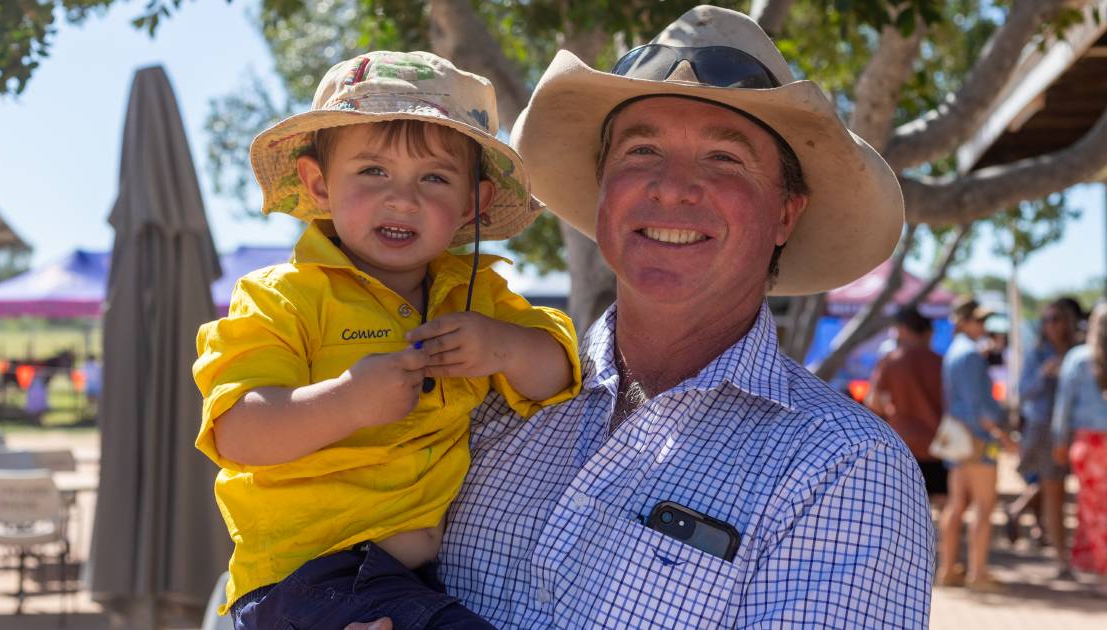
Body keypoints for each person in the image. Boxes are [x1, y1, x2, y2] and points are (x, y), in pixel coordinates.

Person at [349, 7, 934, 628]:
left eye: (724, 160)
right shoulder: (487, 395)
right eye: (642, 149)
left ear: (785, 214)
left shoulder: (843, 467)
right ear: (603, 191)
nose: (672, 187)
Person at [193, 51, 581, 629]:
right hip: (309, 576)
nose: (403, 198)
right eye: (372, 172)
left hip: (411, 578)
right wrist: (346, 400)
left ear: (473, 203)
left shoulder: (476, 297)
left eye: (434, 178)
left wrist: (504, 348)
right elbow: (239, 429)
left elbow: (560, 373)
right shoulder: (281, 296)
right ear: (319, 184)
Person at [938, 296, 1018, 591]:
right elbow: (979, 407)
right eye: (979, 320)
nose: (983, 326)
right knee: (984, 507)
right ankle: (978, 573)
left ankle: (949, 569)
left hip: (957, 437)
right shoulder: (970, 354)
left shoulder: (954, 352)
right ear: (964, 322)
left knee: (957, 505)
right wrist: (1002, 436)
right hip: (977, 439)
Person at [1007, 297, 1083, 574]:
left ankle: (1020, 514)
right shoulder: (1037, 353)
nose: (1050, 325)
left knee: (1053, 489)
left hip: (1073, 430)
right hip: (1044, 430)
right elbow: (1022, 391)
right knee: (1053, 490)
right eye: (1047, 320)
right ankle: (1062, 558)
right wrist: (1044, 374)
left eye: (1056, 319)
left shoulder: (1078, 351)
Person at [1052, 303, 1107, 591]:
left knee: (1092, 509)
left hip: (1088, 444)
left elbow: (1063, 407)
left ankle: (1100, 567)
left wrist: (1059, 440)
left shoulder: (1077, 359)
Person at [867, 306, 947, 497]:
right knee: (941, 501)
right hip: (937, 443)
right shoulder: (940, 361)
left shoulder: (892, 360)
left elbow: (874, 402)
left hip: (902, 443)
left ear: (902, 328)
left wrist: (890, 411)